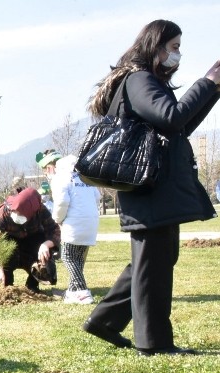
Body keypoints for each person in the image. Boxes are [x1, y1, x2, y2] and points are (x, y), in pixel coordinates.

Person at [83, 20, 220, 355]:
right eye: (173, 47)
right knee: (152, 264)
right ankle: (154, 343)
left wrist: (212, 89)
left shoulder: (143, 80)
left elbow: (178, 126)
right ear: (154, 46)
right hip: (148, 189)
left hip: (151, 189)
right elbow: (171, 117)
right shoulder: (139, 79)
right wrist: (206, 83)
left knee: (153, 261)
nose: (177, 54)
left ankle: (104, 320)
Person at [38, 150, 100, 304]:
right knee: (78, 259)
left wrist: (57, 219)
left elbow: (61, 202)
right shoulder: (85, 178)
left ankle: (83, 292)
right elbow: (97, 197)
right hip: (91, 223)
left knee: (67, 256)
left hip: (73, 223)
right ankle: (72, 292)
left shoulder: (61, 178)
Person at [0, 187, 61, 292]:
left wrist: (46, 245)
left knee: (46, 260)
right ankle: (6, 285)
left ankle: (32, 285)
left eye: (20, 213)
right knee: (3, 274)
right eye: (15, 212)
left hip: (32, 241)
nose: (16, 215)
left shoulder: (40, 210)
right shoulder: (4, 213)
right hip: (9, 243)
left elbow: (54, 229)